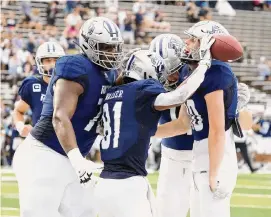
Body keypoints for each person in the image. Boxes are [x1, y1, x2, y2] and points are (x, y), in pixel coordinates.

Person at [12, 17, 124, 217]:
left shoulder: (109, 73)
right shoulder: (75, 66)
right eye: (105, 47)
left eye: (114, 47)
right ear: (88, 45)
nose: (111, 53)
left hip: (73, 157)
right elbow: (60, 116)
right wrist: (76, 159)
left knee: (85, 212)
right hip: (45, 154)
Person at [94, 33, 214, 217]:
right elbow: (180, 96)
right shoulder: (141, 92)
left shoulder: (113, 93)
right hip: (127, 183)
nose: (162, 78)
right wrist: (205, 64)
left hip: (105, 181)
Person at [149, 33, 252, 217]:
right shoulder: (153, 85)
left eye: (175, 69)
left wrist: (232, 106)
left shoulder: (197, 75)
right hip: (177, 155)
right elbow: (182, 123)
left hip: (205, 151)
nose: (171, 76)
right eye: (163, 70)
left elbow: (231, 124)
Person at [13, 41, 65, 137]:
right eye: (48, 60)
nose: (53, 64)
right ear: (40, 62)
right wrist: (21, 127)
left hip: (67, 142)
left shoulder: (71, 84)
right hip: (40, 142)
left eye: (56, 60)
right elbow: (18, 111)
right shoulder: (32, 84)